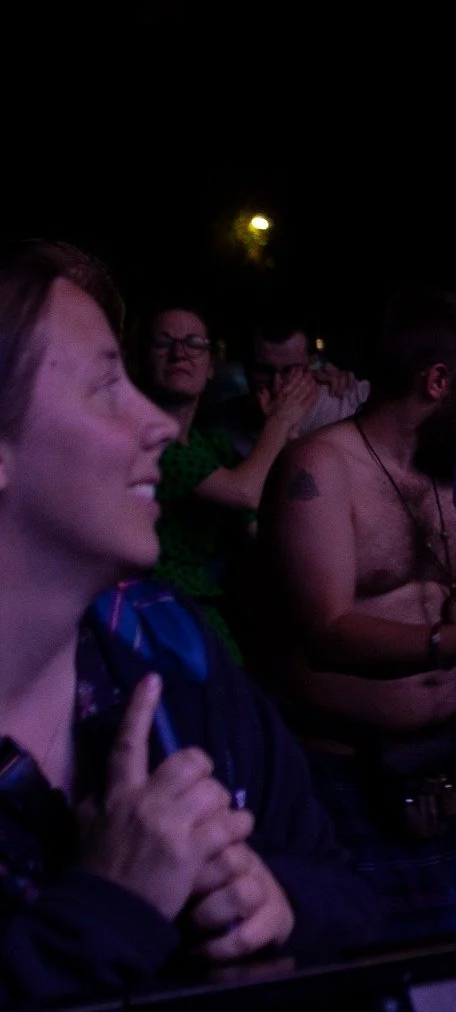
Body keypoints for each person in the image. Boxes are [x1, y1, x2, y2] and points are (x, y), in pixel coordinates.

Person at [1, 242, 375, 1003]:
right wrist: (107, 910)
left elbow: (352, 897)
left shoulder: (173, 653)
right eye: (108, 384)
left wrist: (277, 900)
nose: (160, 427)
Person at [262, 288, 456, 941]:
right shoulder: (318, 469)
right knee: (373, 971)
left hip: (450, 767)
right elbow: (326, 630)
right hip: (345, 776)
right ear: (437, 380)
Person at [136, 303, 318, 660]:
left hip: (203, 601)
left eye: (193, 343)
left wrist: (289, 432)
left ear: (210, 368)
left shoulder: (210, 444)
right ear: (142, 359)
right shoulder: (147, 438)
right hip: (154, 606)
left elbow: (261, 523)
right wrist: (280, 423)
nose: (180, 353)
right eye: (164, 342)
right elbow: (244, 493)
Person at [212, 314, 368, 459]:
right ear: (246, 368)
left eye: (290, 370)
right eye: (263, 371)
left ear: (311, 363)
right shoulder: (223, 425)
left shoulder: (353, 401)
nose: (277, 384)